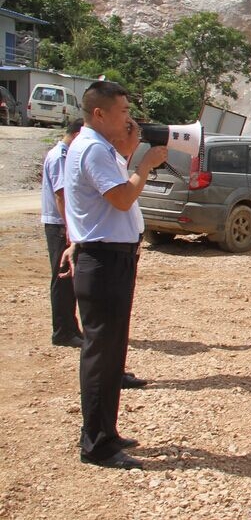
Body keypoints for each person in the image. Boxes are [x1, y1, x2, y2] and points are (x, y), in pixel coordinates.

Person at [63, 81, 168, 470]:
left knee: (110, 353)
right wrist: (144, 166)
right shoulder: (91, 148)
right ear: (99, 114)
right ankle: (96, 444)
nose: (129, 118)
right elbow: (123, 197)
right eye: (123, 112)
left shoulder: (99, 147)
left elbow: (115, 180)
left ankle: (106, 431)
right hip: (104, 259)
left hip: (111, 257)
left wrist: (132, 148)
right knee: (101, 355)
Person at [43, 119, 85, 347]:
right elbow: (62, 195)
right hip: (60, 225)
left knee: (68, 279)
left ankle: (69, 327)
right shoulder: (60, 156)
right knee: (63, 278)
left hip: (61, 224)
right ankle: (63, 331)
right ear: (77, 134)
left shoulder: (63, 153)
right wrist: (71, 228)